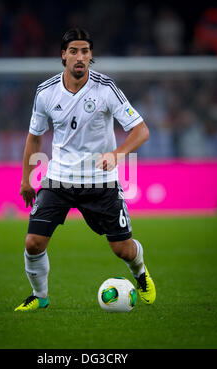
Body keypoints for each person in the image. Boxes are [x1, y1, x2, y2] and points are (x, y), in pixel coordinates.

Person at [14, 28, 156, 312]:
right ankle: (39, 296)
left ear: (91, 56)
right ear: (63, 55)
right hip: (59, 179)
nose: (80, 57)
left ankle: (140, 273)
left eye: (86, 51)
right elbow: (34, 136)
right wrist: (27, 179)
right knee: (33, 243)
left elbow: (141, 130)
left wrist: (117, 154)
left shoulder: (106, 89)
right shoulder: (45, 92)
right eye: (75, 51)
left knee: (123, 249)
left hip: (100, 182)